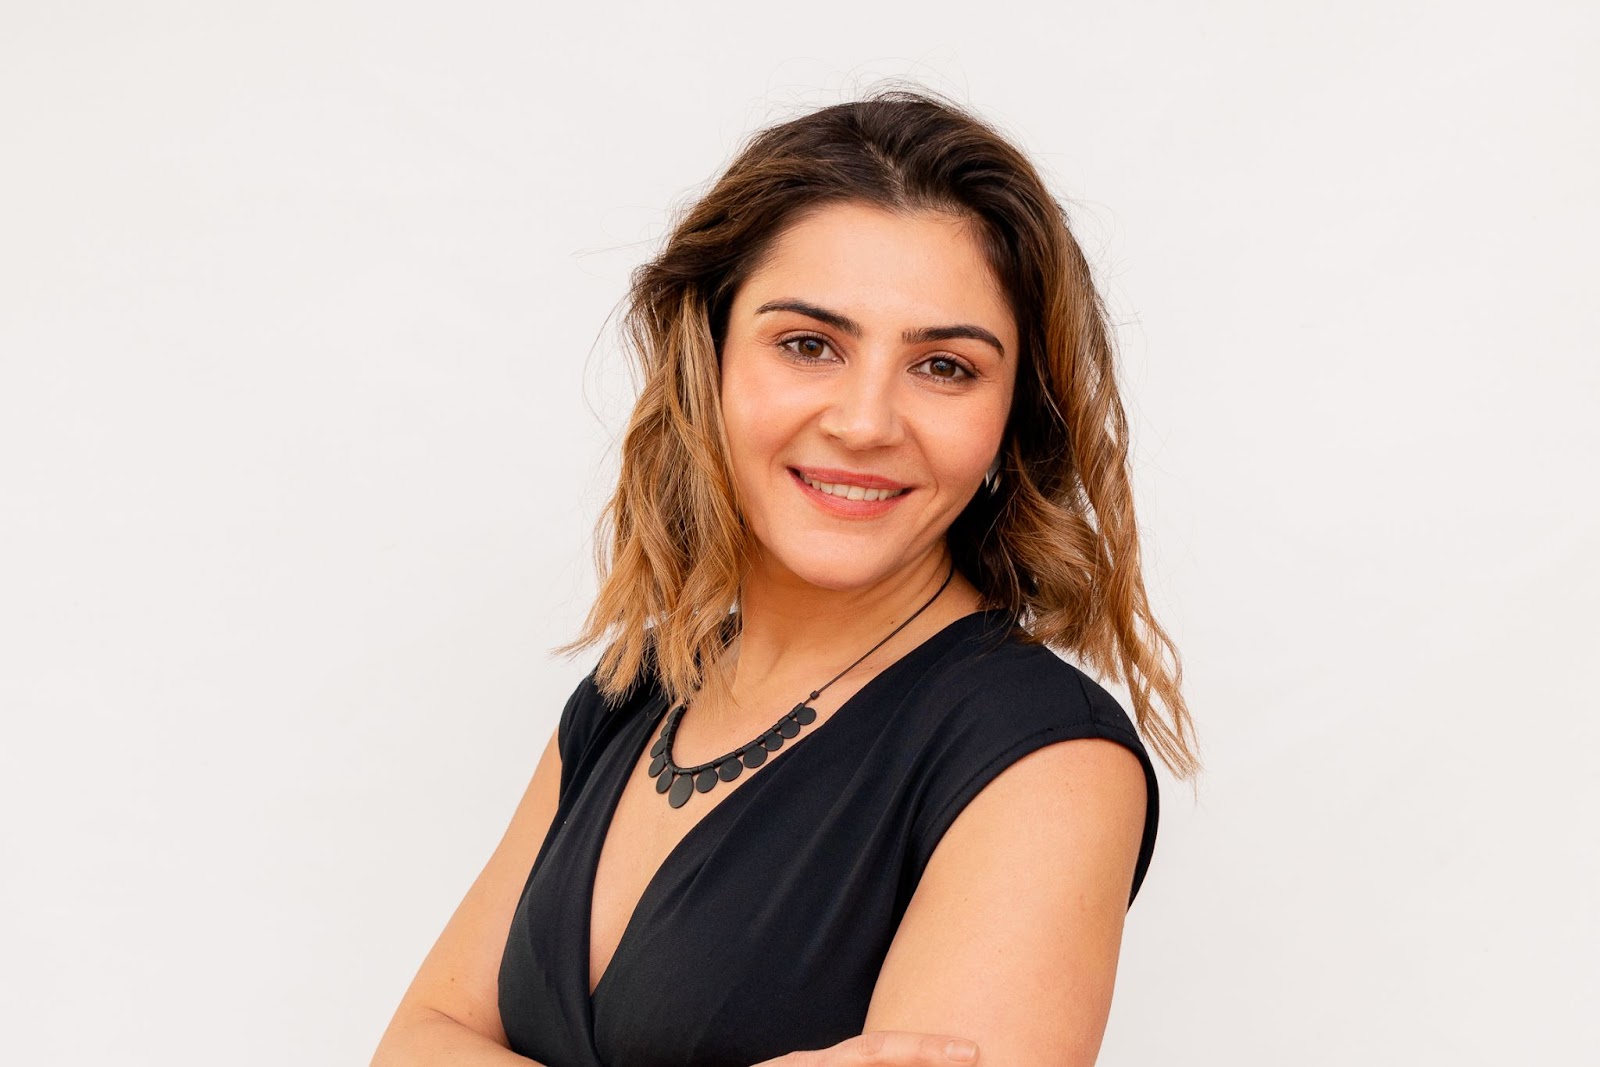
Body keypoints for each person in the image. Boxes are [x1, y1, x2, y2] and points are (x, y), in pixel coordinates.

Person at [372, 88, 1199, 1067]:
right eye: (809, 345)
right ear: (709, 358)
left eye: (944, 366)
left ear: (1013, 417)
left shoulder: (1044, 760)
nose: (864, 421)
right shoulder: (630, 693)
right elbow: (412, 1043)